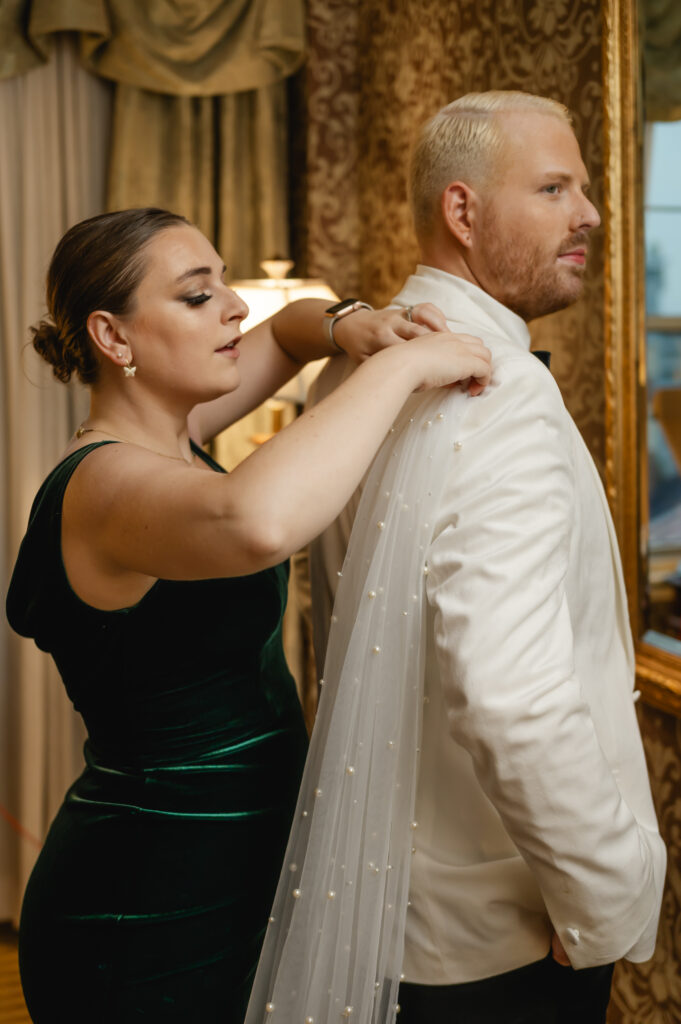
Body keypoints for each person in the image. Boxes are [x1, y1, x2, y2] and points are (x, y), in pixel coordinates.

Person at [4, 207, 492, 1024]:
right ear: (112, 337)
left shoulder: (178, 435)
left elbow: (294, 329)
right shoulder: (101, 486)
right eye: (198, 297)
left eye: (225, 282)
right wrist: (404, 368)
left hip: (241, 871)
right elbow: (253, 520)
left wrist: (352, 326)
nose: (235, 307)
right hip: (144, 908)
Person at [247, 92, 666, 1024]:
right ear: (462, 211)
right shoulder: (498, 392)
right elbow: (511, 698)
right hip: (504, 942)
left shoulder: (350, 368)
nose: (589, 214)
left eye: (584, 190)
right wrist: (608, 898)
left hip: (394, 908)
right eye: (554, 188)